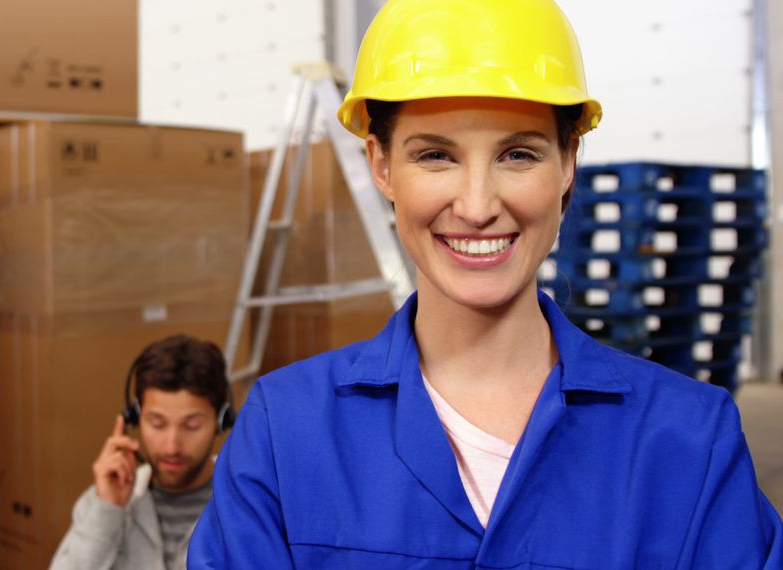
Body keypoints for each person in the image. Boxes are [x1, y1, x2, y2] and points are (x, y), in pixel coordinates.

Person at [188, 0, 783, 567]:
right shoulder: (283, 434)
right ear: (381, 164)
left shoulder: (688, 441)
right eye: (436, 156)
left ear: (568, 161)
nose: (476, 207)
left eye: (518, 155)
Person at [50, 335, 235, 570]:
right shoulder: (103, 500)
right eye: (157, 424)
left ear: (221, 421)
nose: (171, 447)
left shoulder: (245, 501)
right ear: (136, 418)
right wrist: (108, 509)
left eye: (191, 426)